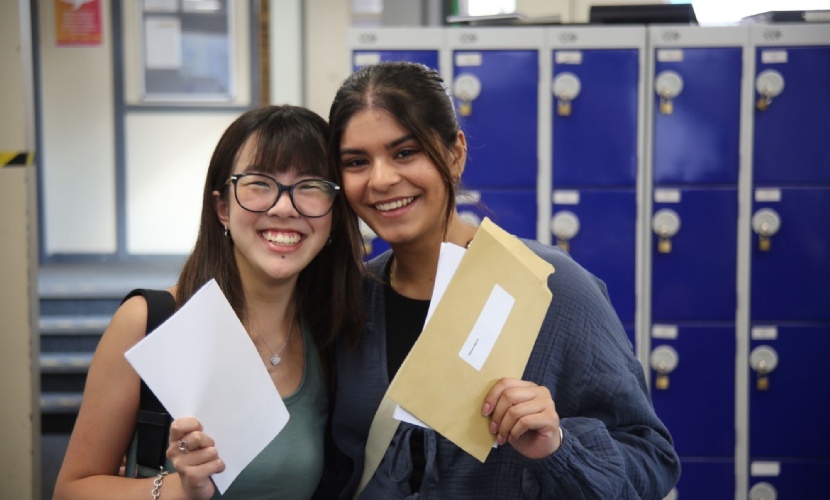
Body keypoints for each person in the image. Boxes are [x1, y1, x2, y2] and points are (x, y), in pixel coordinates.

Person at [321, 61, 681, 499]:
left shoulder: (549, 286)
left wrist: (559, 446)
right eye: (357, 162)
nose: (381, 179)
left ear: (455, 154)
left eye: (405, 152)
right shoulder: (354, 300)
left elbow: (652, 459)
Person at [54, 105, 364, 500]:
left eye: (310, 187)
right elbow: (70, 490)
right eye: (259, 183)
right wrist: (180, 490)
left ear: (334, 215)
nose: (285, 207)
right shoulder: (151, 321)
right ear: (223, 208)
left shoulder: (332, 332)